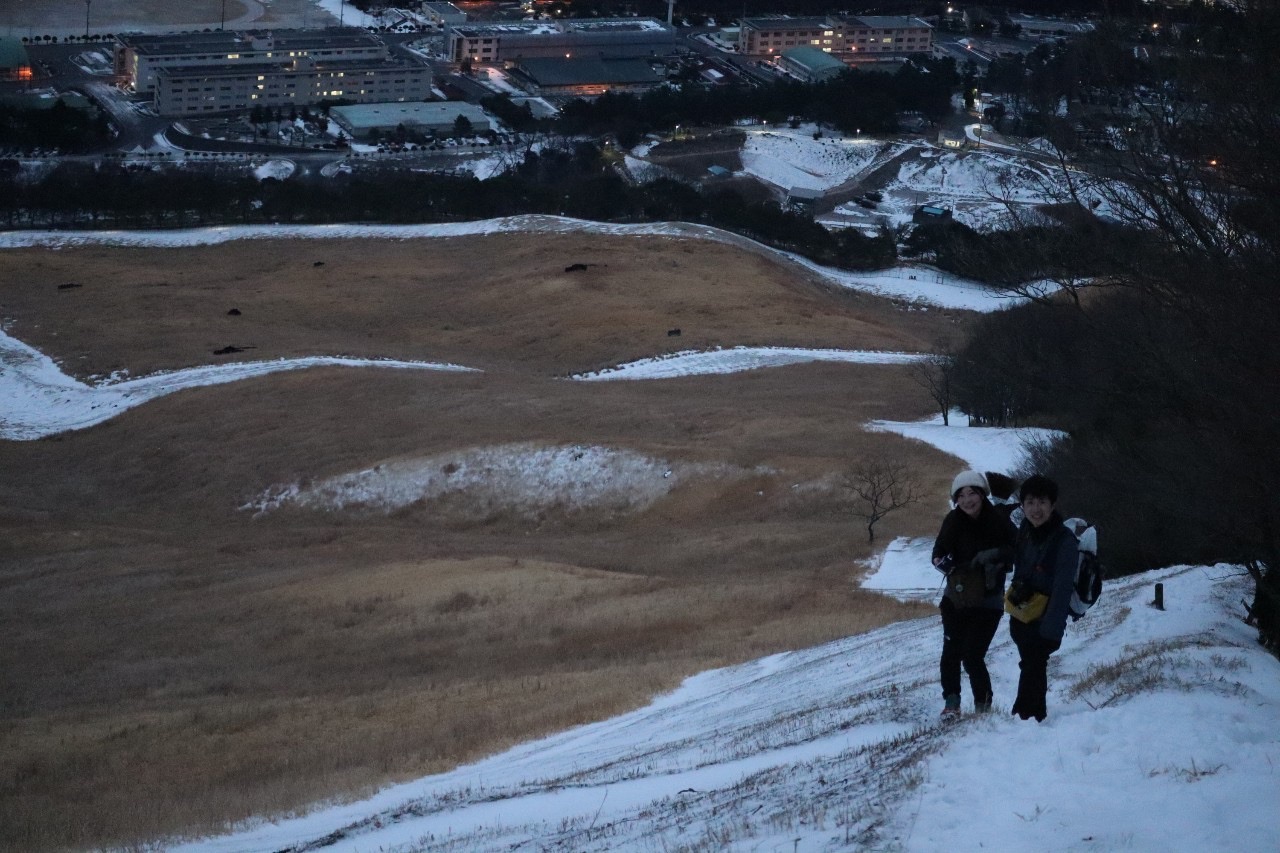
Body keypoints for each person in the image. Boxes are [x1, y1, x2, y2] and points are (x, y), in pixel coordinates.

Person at [931, 470, 1016, 718]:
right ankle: (952, 702)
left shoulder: (998, 518)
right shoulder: (953, 520)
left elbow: (1018, 547)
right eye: (961, 495)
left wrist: (993, 556)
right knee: (951, 652)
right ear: (956, 499)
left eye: (972, 493)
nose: (967, 500)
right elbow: (937, 553)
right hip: (955, 598)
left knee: (973, 655)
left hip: (988, 600)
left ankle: (983, 705)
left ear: (982, 494)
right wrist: (945, 564)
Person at [1006, 474, 1080, 722]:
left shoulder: (1064, 541)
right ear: (1023, 505)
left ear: (1052, 505)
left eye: (1042, 502)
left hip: (1045, 618)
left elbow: (1062, 588)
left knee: (1034, 662)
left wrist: (1051, 629)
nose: (1036, 509)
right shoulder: (1025, 531)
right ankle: (1033, 715)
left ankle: (1025, 715)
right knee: (1031, 663)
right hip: (1022, 613)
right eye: (1030, 502)